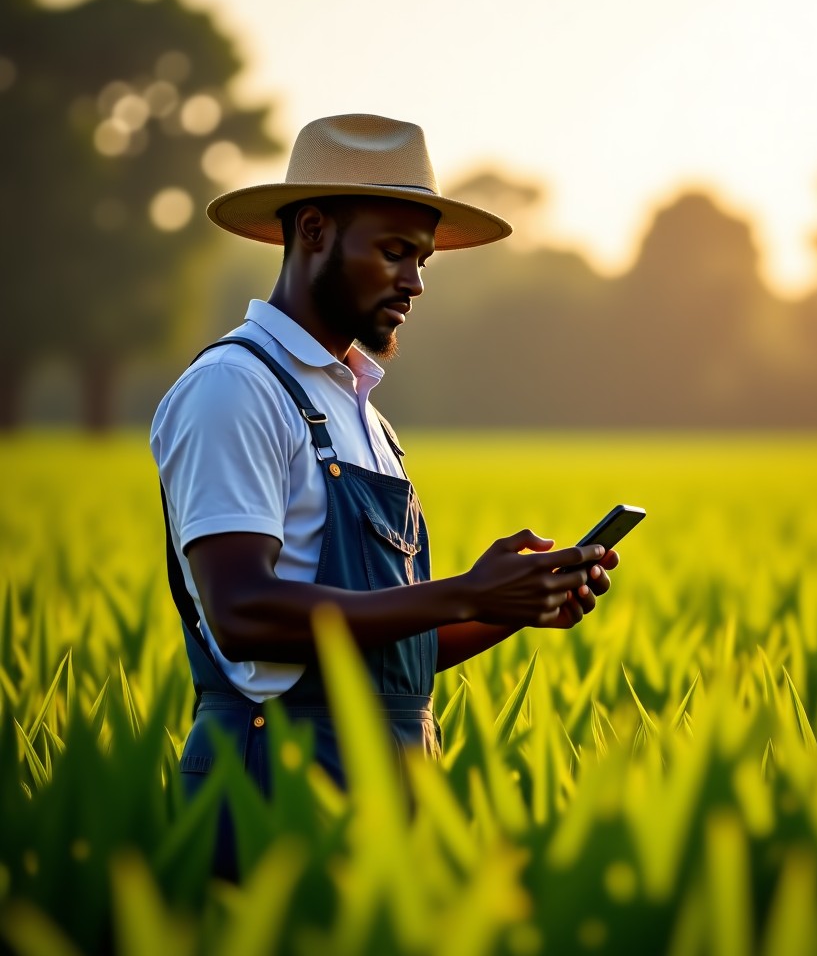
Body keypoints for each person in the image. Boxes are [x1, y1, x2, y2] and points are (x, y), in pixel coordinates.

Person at [151, 113, 618, 868]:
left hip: (394, 789)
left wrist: (511, 607)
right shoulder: (235, 389)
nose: (416, 281)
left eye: (424, 259)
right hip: (277, 789)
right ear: (312, 231)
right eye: (394, 252)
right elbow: (243, 613)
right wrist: (465, 592)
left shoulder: (367, 416)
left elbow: (388, 652)